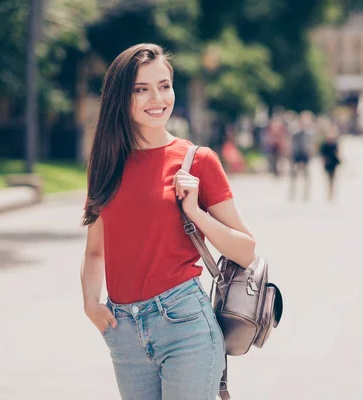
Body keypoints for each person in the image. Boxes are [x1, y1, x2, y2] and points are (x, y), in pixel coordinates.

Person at [80, 43, 256, 400]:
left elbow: (247, 250)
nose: (157, 98)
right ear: (120, 97)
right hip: (124, 329)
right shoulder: (106, 164)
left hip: (185, 324)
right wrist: (90, 303)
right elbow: (97, 251)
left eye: (164, 85)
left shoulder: (198, 161)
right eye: (141, 89)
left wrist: (195, 212)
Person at [288, 111, 315, 201]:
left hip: (305, 155)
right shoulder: (295, 132)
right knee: (294, 175)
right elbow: (292, 144)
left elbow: (311, 145)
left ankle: (305, 194)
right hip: (297, 154)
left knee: (306, 175)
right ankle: (293, 193)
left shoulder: (310, 133)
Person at [319, 123, 341, 201]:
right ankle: (329, 193)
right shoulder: (325, 143)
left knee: (333, 178)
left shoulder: (335, 142)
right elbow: (322, 154)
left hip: (333, 162)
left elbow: (338, 152)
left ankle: (331, 193)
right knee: (328, 178)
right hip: (327, 162)